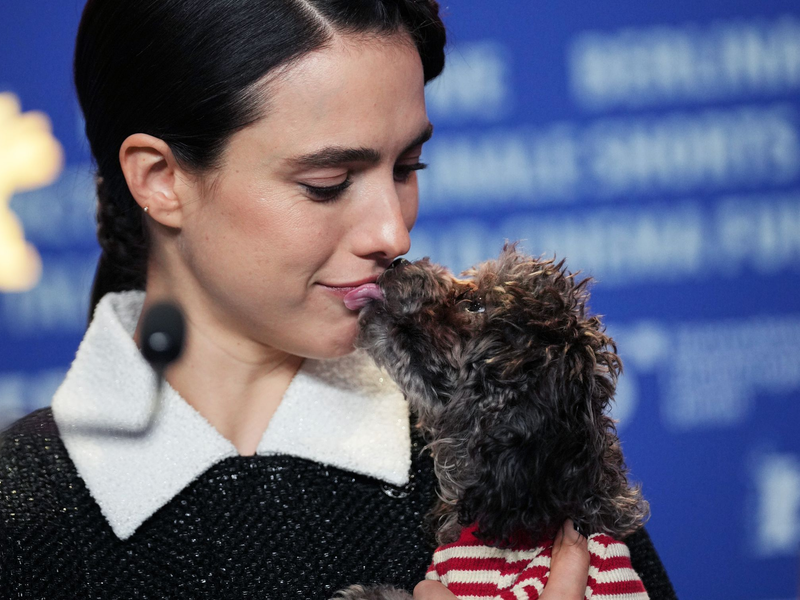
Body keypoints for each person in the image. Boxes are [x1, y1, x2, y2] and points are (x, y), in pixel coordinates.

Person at [0, 1, 676, 598]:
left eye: (409, 167)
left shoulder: (504, 457)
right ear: (160, 179)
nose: (394, 231)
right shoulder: (22, 517)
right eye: (327, 182)